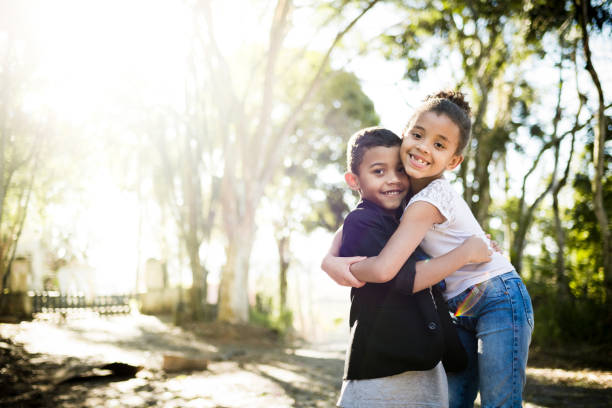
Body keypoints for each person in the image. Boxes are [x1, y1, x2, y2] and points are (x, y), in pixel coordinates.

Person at [323, 91, 534, 408]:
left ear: (453, 161)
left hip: (496, 295)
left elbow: (386, 269)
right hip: (457, 306)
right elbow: (354, 222)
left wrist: (349, 268)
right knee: (453, 399)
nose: (423, 147)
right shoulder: (402, 188)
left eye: (439, 144)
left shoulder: (427, 199)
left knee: (499, 400)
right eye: (418, 135)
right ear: (404, 133)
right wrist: (328, 259)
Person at [332, 126, 492, 408]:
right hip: (379, 368)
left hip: (425, 364)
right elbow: (402, 277)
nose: (393, 180)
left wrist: (479, 244)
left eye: (400, 170)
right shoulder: (361, 222)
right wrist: (465, 253)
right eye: (379, 172)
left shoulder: (410, 216)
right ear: (354, 180)